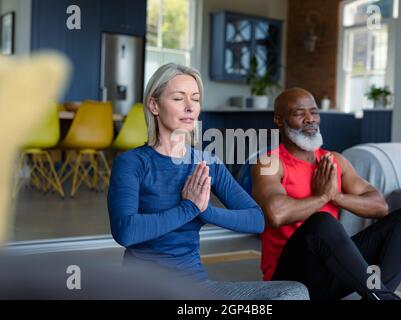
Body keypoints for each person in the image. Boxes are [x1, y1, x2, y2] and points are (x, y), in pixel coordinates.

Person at [107, 63, 309, 300]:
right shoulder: (133, 162)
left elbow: (256, 220)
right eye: (178, 98)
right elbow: (126, 232)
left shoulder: (207, 163)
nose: (190, 107)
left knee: (294, 293)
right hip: (145, 289)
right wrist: (188, 208)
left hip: (196, 289)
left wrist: (206, 212)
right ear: (154, 105)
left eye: (195, 98)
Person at [251, 88, 401, 300]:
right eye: (299, 113)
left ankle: (379, 296)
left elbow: (380, 206)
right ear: (279, 120)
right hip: (289, 279)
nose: (310, 119)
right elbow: (275, 214)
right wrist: (322, 197)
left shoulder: (334, 160)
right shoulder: (270, 163)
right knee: (321, 222)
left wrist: (336, 196)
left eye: (314, 112)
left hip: (332, 270)